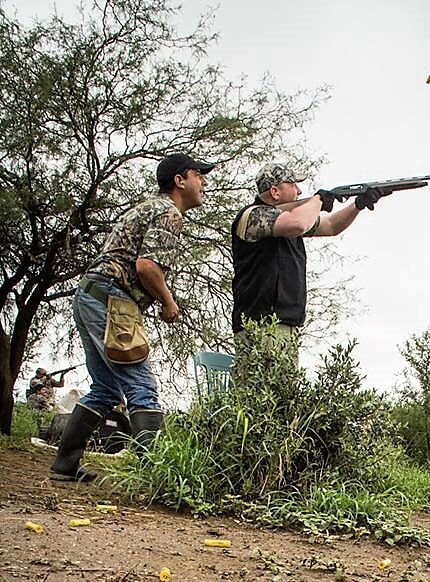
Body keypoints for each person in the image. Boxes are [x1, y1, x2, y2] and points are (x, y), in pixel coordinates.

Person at [50, 152, 214, 482]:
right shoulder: (168, 212)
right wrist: (168, 303)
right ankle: (153, 477)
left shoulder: (150, 207)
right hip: (112, 298)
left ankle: (65, 465)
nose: (205, 181)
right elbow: (147, 267)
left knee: (106, 388)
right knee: (141, 385)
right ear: (180, 181)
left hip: (91, 294)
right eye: (199, 174)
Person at [231, 162, 390, 361]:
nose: (299, 191)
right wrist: (318, 200)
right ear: (275, 191)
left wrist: (357, 206)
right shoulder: (254, 215)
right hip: (261, 326)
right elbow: (298, 224)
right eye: (293, 185)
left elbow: (331, 226)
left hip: (286, 326)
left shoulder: (286, 219)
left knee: (284, 392)